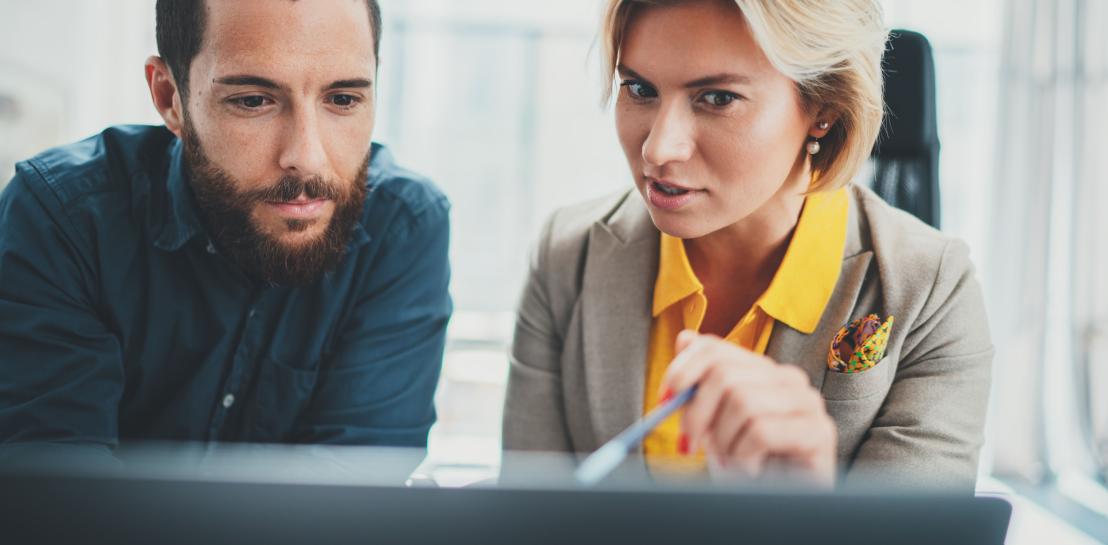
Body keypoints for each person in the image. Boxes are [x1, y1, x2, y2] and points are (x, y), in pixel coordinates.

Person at [503, 0, 992, 490]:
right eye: (639, 88)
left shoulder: (931, 292)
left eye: (717, 98)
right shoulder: (567, 258)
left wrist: (805, 506)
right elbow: (526, 523)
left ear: (823, 108)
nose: (658, 148)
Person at [0, 0, 452, 460]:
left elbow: (355, 495)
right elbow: (57, 495)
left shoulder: (402, 225)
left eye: (343, 99)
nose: (307, 156)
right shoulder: (64, 217)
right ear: (169, 98)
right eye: (253, 101)